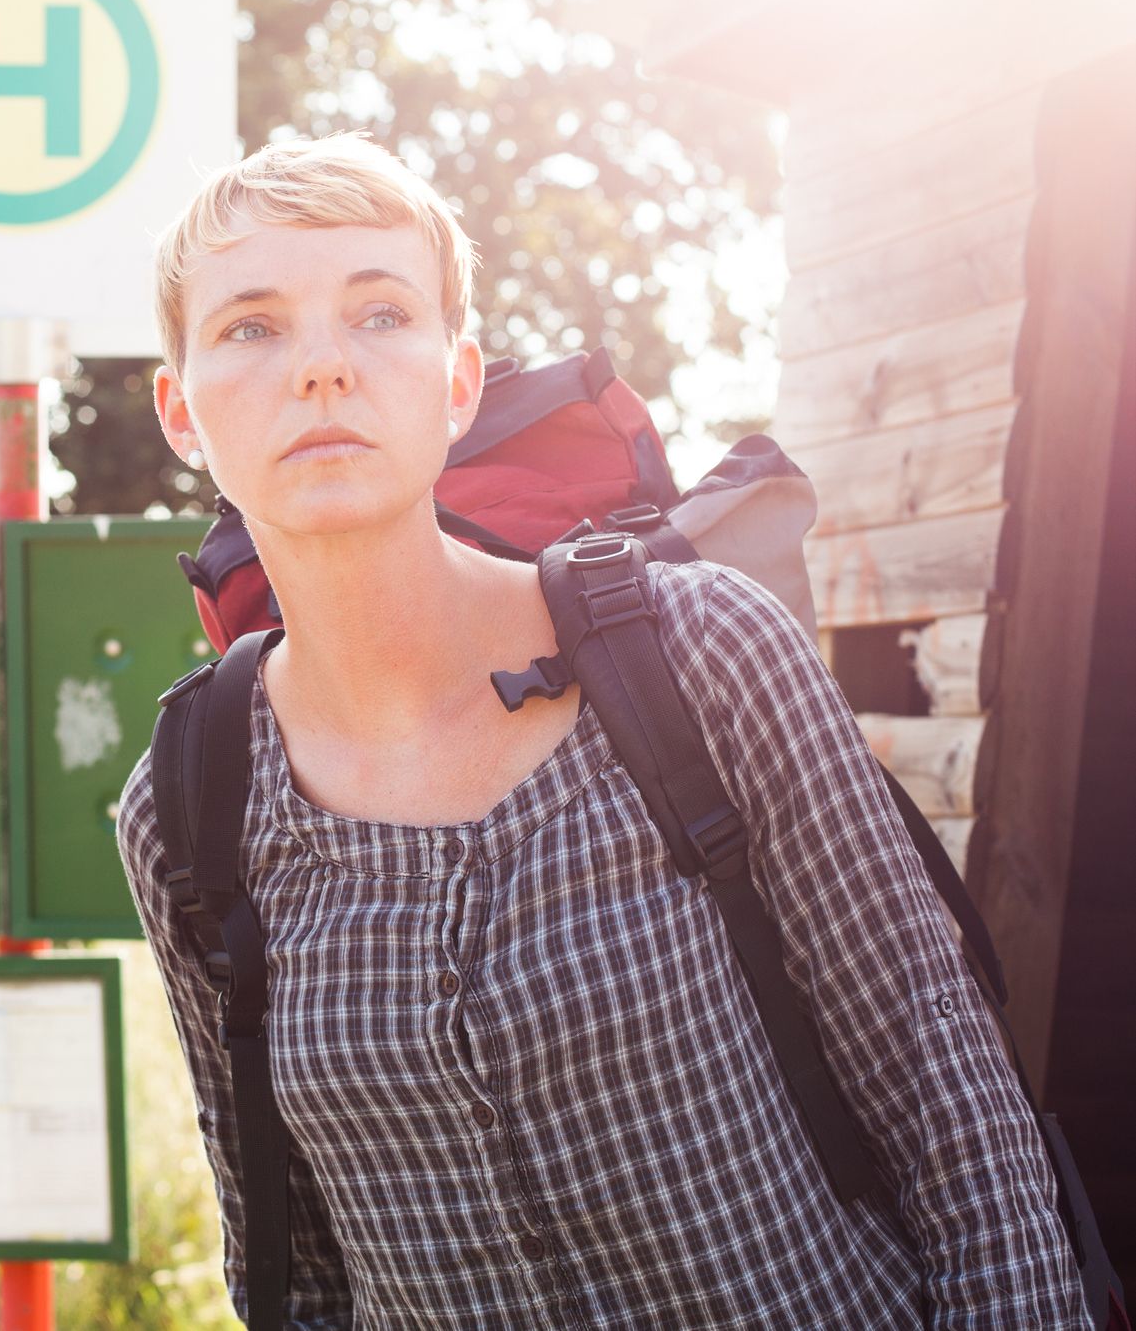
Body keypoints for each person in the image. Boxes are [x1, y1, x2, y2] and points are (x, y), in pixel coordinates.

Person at [115, 132, 1090, 1328]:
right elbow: (284, 1255)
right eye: (251, 326)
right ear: (181, 409)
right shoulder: (190, 803)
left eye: (379, 314)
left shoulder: (700, 651)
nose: (322, 366)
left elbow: (952, 1107)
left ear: (458, 381)